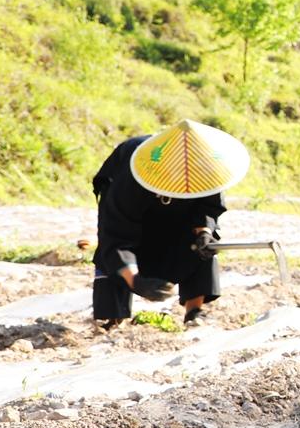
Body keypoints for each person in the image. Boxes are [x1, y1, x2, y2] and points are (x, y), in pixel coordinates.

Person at [90, 119, 250, 330]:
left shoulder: (209, 169)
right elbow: (116, 236)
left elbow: (207, 209)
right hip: (134, 205)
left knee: (204, 247)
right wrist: (135, 280)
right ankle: (112, 318)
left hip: (179, 212)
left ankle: (194, 311)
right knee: (112, 252)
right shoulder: (129, 180)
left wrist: (204, 232)